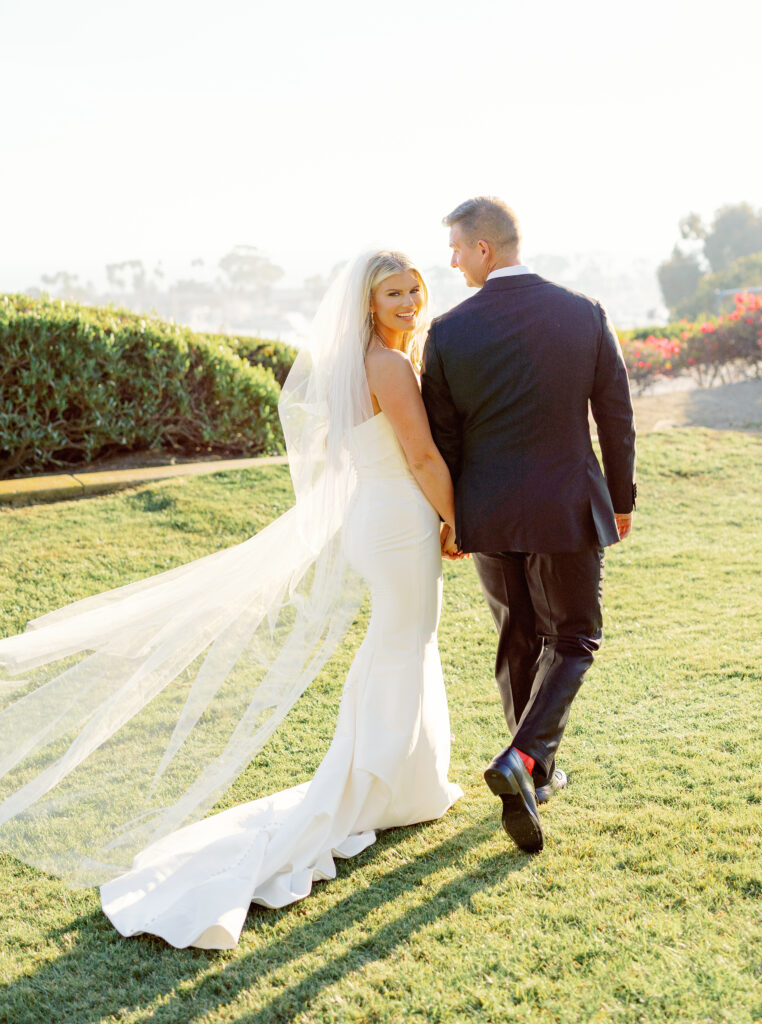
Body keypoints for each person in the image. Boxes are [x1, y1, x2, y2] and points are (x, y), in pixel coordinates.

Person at [0, 251, 462, 948]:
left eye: (414, 289)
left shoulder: (363, 361)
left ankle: (401, 779)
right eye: (392, 292)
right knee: (403, 641)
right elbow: (423, 457)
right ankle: (375, 787)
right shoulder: (389, 366)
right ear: (367, 303)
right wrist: (456, 519)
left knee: (398, 641)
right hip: (400, 520)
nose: (407, 301)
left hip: (378, 516)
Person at [422, 197, 636, 854]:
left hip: (487, 510)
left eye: (457, 248)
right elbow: (615, 417)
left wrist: (450, 517)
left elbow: (442, 437)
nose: (452, 260)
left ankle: (529, 773)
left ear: (484, 249)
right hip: (566, 503)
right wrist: (620, 499)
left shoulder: (448, 331)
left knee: (518, 635)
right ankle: (524, 764)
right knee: (573, 638)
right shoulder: (583, 313)